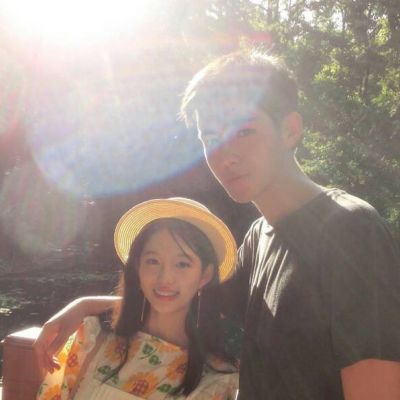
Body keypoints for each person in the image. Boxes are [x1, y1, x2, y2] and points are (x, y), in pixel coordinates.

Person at [35, 49, 400, 399]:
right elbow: (181, 294)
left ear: (290, 129)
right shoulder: (259, 239)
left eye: (243, 131)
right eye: (211, 139)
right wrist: (84, 306)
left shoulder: (350, 231)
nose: (225, 155)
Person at [36, 197, 239, 399]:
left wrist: (85, 305)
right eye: (153, 261)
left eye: (182, 264)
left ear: (205, 276)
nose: (165, 278)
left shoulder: (216, 379)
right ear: (137, 266)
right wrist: (84, 306)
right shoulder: (93, 336)